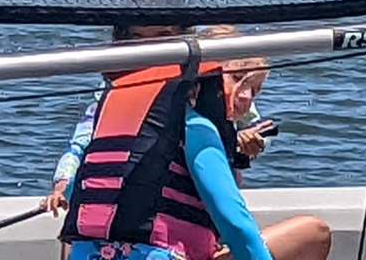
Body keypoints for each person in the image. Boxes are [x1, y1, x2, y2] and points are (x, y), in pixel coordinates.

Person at [58, 31, 331, 260]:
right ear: (210, 75)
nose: (245, 98)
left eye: (256, 91)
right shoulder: (199, 128)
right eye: (238, 79)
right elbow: (236, 226)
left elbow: (78, 199)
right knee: (314, 235)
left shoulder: (118, 119)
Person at [47, 24, 272, 213]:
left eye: (163, 37)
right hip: (139, 200)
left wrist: (249, 142)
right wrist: (63, 185)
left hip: (201, 211)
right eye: (137, 38)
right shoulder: (114, 93)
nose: (151, 49)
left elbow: (256, 125)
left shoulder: (206, 91)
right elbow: (81, 145)